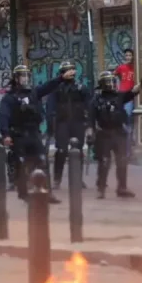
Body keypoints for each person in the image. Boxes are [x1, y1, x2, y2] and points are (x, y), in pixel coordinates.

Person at [0, 64, 65, 203]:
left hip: (34, 132)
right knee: (21, 163)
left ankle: (46, 192)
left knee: (42, 160)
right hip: (19, 134)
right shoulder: (9, 98)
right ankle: (24, 194)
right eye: (22, 76)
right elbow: (3, 116)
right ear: (16, 78)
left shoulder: (33, 93)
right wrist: (5, 134)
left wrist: (61, 78)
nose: (25, 79)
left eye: (27, 76)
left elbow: (48, 86)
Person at [89, 70, 142, 198]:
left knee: (122, 160)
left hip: (119, 132)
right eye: (108, 82)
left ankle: (122, 187)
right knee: (104, 161)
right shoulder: (96, 100)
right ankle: (101, 188)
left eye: (112, 81)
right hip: (104, 133)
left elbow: (132, 93)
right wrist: (90, 132)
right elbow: (91, 118)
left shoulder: (119, 96)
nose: (111, 84)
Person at [48, 60, 92, 189]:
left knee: (77, 151)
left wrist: (89, 125)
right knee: (61, 151)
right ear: (62, 73)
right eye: (67, 70)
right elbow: (50, 107)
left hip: (78, 123)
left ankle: (77, 178)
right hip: (62, 123)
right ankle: (57, 179)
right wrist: (51, 124)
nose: (70, 72)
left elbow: (89, 107)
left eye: (72, 70)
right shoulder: (56, 89)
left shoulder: (81, 87)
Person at [114, 48, 137, 158]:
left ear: (133, 56)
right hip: (120, 95)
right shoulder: (121, 68)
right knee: (120, 120)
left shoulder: (135, 68)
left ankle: (127, 151)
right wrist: (116, 87)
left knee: (127, 119)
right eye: (126, 55)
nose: (128, 57)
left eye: (129, 55)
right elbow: (113, 76)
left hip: (129, 97)